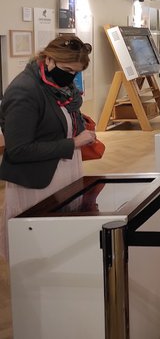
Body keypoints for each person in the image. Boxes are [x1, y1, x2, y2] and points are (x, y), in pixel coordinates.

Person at [0, 35, 95, 259]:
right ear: (49, 59)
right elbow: (18, 150)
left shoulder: (60, 87)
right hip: (37, 181)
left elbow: (61, 119)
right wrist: (73, 143)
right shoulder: (24, 90)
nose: (71, 77)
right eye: (67, 70)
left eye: (76, 72)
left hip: (62, 172)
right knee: (38, 250)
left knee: (61, 244)